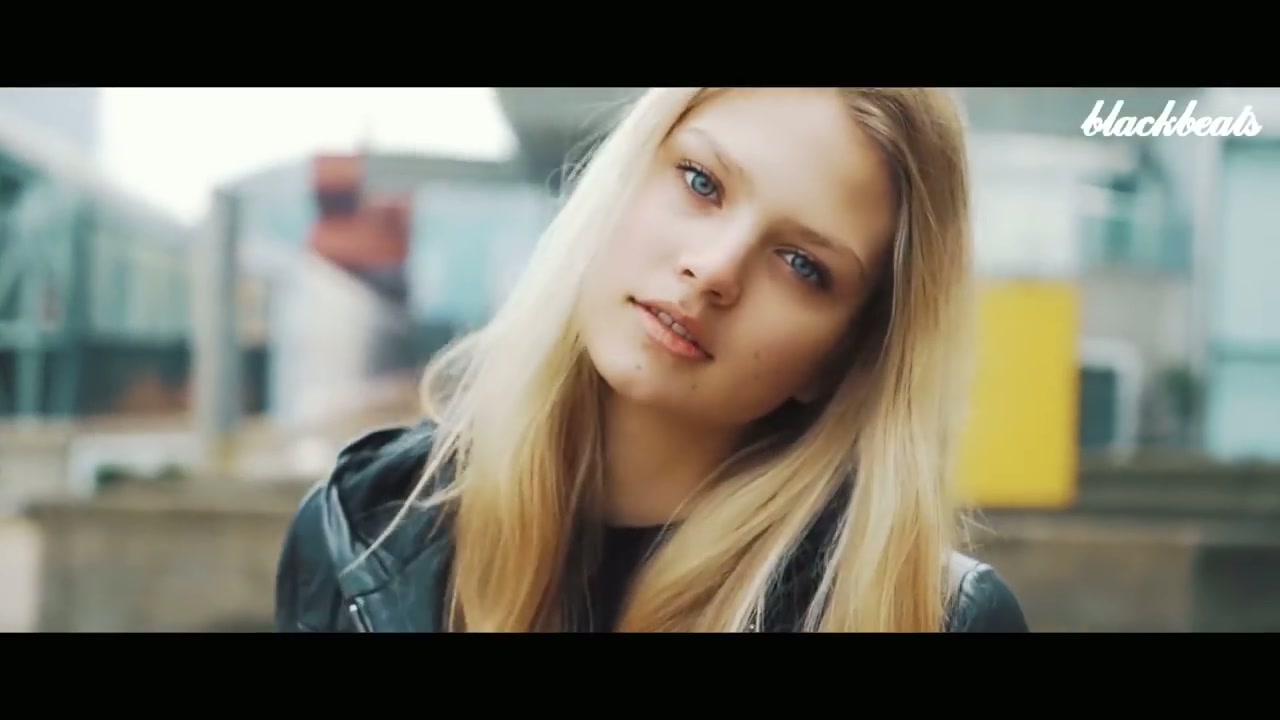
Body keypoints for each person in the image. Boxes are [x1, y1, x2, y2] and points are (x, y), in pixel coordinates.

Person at [274, 87, 1030, 633]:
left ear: (845, 358)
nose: (715, 268)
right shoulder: (362, 532)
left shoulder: (933, 618)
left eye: (802, 264)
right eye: (702, 182)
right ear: (624, 176)